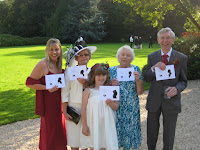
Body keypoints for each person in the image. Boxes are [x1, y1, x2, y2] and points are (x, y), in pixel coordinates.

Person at [143, 27, 188, 150]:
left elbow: (183, 81)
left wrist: (177, 89)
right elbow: (146, 77)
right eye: (162, 38)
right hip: (154, 100)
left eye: (168, 38)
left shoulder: (181, 58)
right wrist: (153, 68)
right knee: (151, 132)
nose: (165, 41)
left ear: (173, 40)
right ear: (158, 40)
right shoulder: (152, 57)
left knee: (169, 133)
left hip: (171, 100)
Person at [26, 38, 67, 150]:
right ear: (47, 50)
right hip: (48, 104)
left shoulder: (58, 64)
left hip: (59, 103)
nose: (54, 52)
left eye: (56, 49)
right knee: (50, 130)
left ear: (60, 50)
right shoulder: (43, 64)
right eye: (51, 50)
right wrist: (46, 88)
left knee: (60, 129)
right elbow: (29, 83)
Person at [62, 42, 97, 150]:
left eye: (86, 54)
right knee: (74, 141)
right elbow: (65, 92)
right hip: (74, 108)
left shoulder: (93, 71)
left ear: (89, 57)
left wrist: (87, 83)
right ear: (76, 58)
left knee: (86, 139)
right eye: (80, 55)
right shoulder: (69, 71)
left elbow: (97, 91)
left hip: (89, 108)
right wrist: (64, 111)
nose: (83, 57)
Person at [109, 45, 144, 149]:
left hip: (131, 106)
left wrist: (138, 80)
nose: (124, 57)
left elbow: (140, 92)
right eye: (122, 55)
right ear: (118, 56)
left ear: (132, 58)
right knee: (117, 129)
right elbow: (105, 91)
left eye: (128, 55)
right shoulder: (111, 70)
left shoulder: (136, 69)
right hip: (117, 105)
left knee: (131, 130)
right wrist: (111, 85)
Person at [80, 63, 119, 150]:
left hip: (106, 123)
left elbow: (116, 106)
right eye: (98, 75)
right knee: (94, 144)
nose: (101, 78)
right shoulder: (88, 90)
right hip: (93, 123)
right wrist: (84, 125)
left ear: (107, 75)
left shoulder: (110, 89)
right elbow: (83, 109)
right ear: (93, 76)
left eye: (103, 75)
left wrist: (110, 103)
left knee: (105, 143)